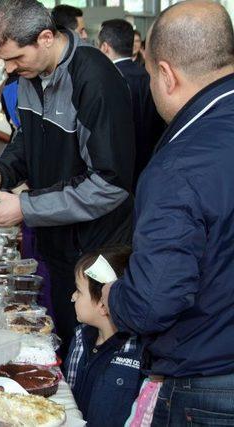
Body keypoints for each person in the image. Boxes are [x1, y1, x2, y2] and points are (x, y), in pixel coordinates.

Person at [0, 0, 135, 354]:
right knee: (62, 336)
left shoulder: (94, 79)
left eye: (16, 59)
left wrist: (26, 208)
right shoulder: (33, 75)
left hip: (95, 248)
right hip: (59, 243)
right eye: (4, 60)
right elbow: (26, 141)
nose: (10, 70)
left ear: (45, 37)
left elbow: (110, 183)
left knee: (93, 349)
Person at [101, 2, 234, 424]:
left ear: (167, 74)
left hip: (207, 383)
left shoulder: (180, 165)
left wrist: (114, 297)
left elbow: (153, 301)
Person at [65, 247, 143, 427]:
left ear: (103, 303)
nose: (73, 297)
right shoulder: (81, 337)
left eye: (79, 291)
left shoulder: (135, 354)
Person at [98, 19, 166, 189]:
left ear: (105, 47)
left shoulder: (106, 80)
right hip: (151, 163)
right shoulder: (149, 76)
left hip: (118, 171)